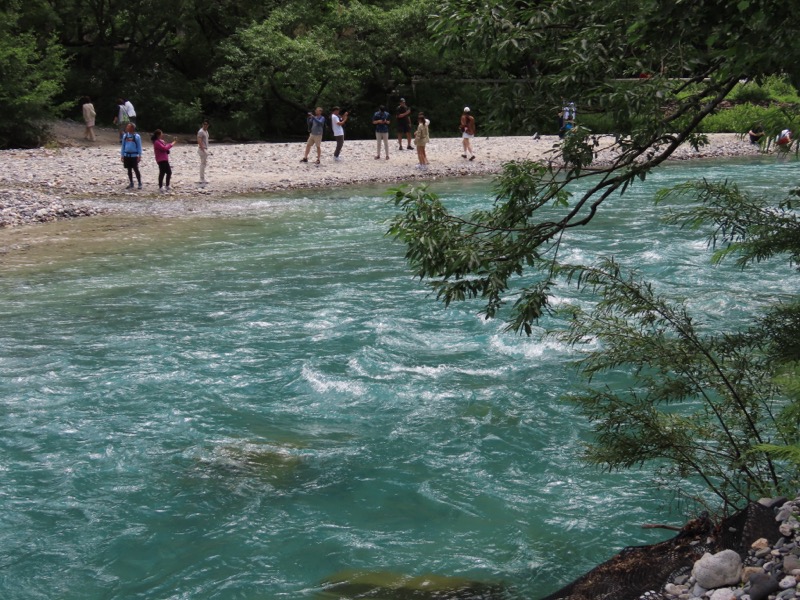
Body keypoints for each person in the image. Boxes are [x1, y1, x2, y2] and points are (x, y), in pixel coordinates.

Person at [120, 122, 143, 190]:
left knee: (136, 169)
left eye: (128, 127)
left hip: (134, 155)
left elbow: (139, 146)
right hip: (126, 155)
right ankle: (131, 183)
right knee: (129, 170)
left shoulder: (137, 136)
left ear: (132, 128)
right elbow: (123, 146)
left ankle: (139, 183)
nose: (126, 128)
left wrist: (139, 155)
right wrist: (122, 155)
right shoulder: (125, 136)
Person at [197, 120, 210, 184]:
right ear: (202, 124)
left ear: (208, 125)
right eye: (204, 124)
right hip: (202, 149)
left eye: (206, 124)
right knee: (203, 164)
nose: (205, 125)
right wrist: (203, 149)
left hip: (205, 148)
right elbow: (199, 140)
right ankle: (201, 178)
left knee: (204, 163)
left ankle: (202, 177)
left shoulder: (206, 131)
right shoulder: (201, 131)